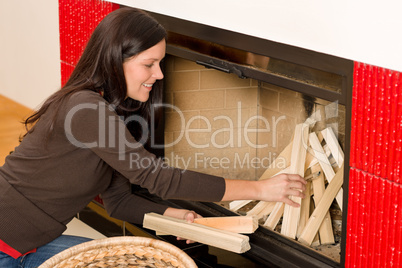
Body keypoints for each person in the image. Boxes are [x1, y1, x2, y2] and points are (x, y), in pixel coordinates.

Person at [0, 7, 306, 268]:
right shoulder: (85, 108)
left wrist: (176, 214)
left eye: (160, 63)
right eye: (149, 64)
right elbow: (156, 177)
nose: (159, 74)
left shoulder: (113, 114)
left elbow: (118, 202)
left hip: (32, 246)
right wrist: (260, 189)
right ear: (114, 60)